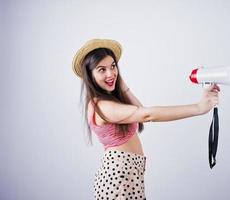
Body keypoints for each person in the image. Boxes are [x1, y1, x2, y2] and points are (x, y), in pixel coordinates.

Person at [72, 39, 220, 200]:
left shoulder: (108, 101)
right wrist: (198, 108)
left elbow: (140, 110)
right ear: (90, 76)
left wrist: (120, 83)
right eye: (102, 70)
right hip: (117, 179)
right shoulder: (102, 106)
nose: (110, 73)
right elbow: (147, 115)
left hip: (129, 175)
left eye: (113, 66)